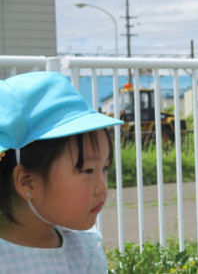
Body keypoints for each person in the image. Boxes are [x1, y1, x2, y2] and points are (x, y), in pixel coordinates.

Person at [0, 71, 123, 273]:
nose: (102, 187)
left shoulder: (85, 251)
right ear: (26, 182)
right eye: (87, 170)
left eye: (105, 169)